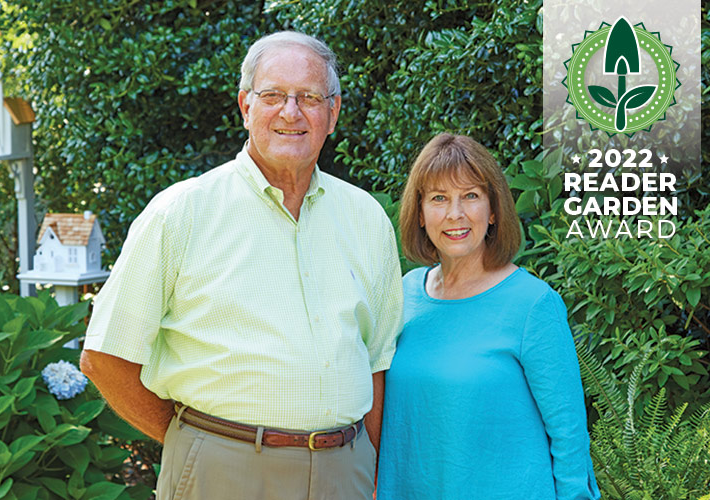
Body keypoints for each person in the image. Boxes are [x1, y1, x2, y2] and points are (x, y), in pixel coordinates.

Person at [80, 31, 403, 500]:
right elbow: (105, 357)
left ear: (332, 113)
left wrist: (369, 467)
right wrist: (188, 441)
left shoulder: (367, 218)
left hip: (344, 473)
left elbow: (376, 362)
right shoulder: (181, 213)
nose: (291, 112)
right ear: (245, 106)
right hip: (222, 472)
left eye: (310, 97)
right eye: (273, 95)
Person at [377, 133, 600, 500]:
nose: (455, 214)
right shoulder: (404, 296)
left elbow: (569, 436)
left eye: (470, 196)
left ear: (493, 209)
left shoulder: (533, 305)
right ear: (419, 213)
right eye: (439, 198)